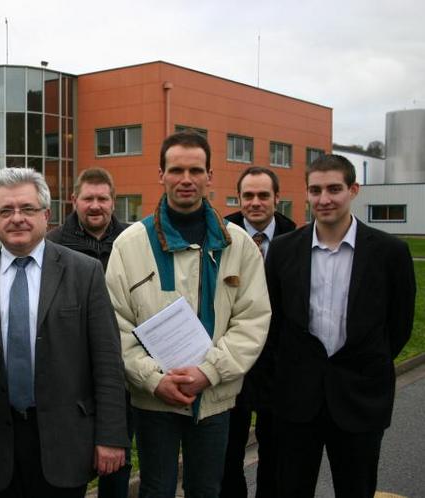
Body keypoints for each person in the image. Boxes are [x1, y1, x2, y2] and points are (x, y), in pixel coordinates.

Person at [106, 132, 271, 498]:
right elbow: (115, 325)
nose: (186, 179)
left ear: (210, 176)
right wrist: (153, 380)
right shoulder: (130, 244)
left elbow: (253, 319)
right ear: (160, 174)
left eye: (195, 170)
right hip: (154, 399)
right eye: (176, 169)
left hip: (214, 398)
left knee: (206, 489)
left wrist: (208, 372)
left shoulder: (238, 243)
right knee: (156, 489)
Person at [0, 168, 129, 497]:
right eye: (6, 210)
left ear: (47, 216)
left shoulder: (85, 273)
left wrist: (111, 436)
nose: (17, 218)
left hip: (65, 440)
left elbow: (107, 361)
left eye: (28, 209)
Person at [265, 154, 416, 497]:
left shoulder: (390, 252)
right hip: (297, 401)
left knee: (357, 490)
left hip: (360, 399)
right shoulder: (284, 251)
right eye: (315, 190)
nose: (324, 199)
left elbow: (399, 324)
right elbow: (274, 324)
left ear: (353, 190)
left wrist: (364, 364)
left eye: (334, 189)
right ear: (306, 193)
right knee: (291, 489)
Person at [46, 167, 133, 498]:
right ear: (73, 200)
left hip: (122, 366)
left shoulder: (131, 241)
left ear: (113, 200)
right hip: (71, 373)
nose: (95, 206)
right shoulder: (52, 244)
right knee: (70, 464)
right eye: (88, 198)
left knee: (118, 463)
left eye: (103, 198)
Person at [221, 166, 296, 498]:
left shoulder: (296, 238)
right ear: (238, 198)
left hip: (278, 365)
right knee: (228, 451)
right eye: (247, 195)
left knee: (276, 452)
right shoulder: (219, 233)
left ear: (277, 198)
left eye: (263, 195)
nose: (255, 202)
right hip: (231, 358)